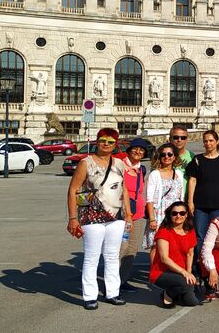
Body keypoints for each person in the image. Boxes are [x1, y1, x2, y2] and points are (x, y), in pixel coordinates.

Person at [66, 128, 130, 309]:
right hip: (91, 216)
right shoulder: (86, 163)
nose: (106, 144)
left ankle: (112, 293)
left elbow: (123, 189)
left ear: (115, 144)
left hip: (116, 216)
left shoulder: (119, 164)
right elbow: (73, 190)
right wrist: (73, 218)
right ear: (97, 141)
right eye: (103, 140)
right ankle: (89, 296)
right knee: (92, 257)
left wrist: (128, 214)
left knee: (111, 256)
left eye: (110, 142)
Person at [187, 131, 219, 272]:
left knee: (215, 236)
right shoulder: (198, 159)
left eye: (211, 140)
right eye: (205, 141)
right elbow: (192, 180)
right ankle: (200, 265)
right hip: (200, 204)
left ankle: (213, 265)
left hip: (218, 204)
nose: (208, 143)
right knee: (199, 236)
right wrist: (190, 201)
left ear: (217, 142)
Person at [149, 202, 198, 308]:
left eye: (182, 213)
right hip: (162, 272)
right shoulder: (164, 231)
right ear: (169, 215)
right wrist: (184, 273)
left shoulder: (190, 230)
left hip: (181, 272)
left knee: (193, 302)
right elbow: (164, 258)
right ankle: (167, 295)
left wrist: (189, 272)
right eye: (174, 213)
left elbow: (190, 254)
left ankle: (177, 293)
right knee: (185, 284)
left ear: (186, 215)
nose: (178, 216)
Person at [144, 143, 185, 257]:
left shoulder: (179, 174)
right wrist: (152, 219)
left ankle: (168, 271)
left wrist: (183, 214)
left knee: (173, 244)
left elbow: (181, 197)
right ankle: (153, 273)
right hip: (159, 214)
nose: (166, 157)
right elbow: (149, 198)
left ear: (174, 156)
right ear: (159, 157)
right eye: (163, 154)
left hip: (175, 214)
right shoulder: (155, 174)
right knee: (156, 244)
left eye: (169, 154)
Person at [119, 138, 147, 292]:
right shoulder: (119, 166)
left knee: (132, 250)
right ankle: (112, 281)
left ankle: (123, 280)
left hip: (138, 214)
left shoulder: (141, 169)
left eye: (141, 150)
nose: (138, 152)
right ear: (129, 151)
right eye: (135, 149)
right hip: (122, 214)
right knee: (120, 248)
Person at [169, 125, 194, 193]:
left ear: (186, 140)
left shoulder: (192, 157)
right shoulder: (163, 156)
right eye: (176, 137)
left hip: (186, 200)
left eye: (183, 138)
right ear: (170, 139)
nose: (179, 140)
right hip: (166, 200)